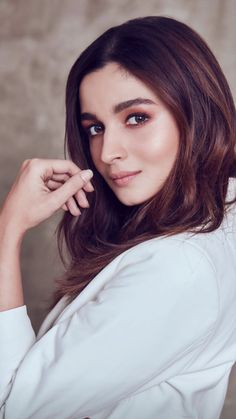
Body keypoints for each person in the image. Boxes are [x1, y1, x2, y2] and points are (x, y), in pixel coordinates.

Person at [0, 15, 236, 419]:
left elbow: (13, 410)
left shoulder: (177, 267)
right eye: (94, 128)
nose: (108, 151)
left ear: (195, 113)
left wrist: (8, 229)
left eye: (136, 118)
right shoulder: (215, 225)